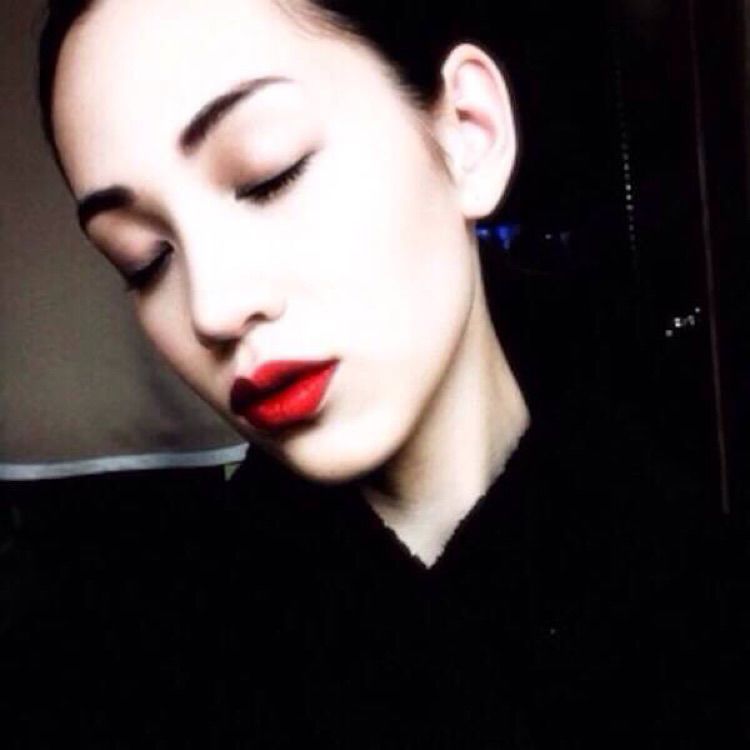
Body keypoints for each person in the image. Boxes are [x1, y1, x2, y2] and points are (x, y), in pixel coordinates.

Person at [34, 0, 713, 746]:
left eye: (268, 175)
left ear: (468, 133)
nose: (212, 308)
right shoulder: (137, 667)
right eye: (143, 259)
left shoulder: (699, 588)